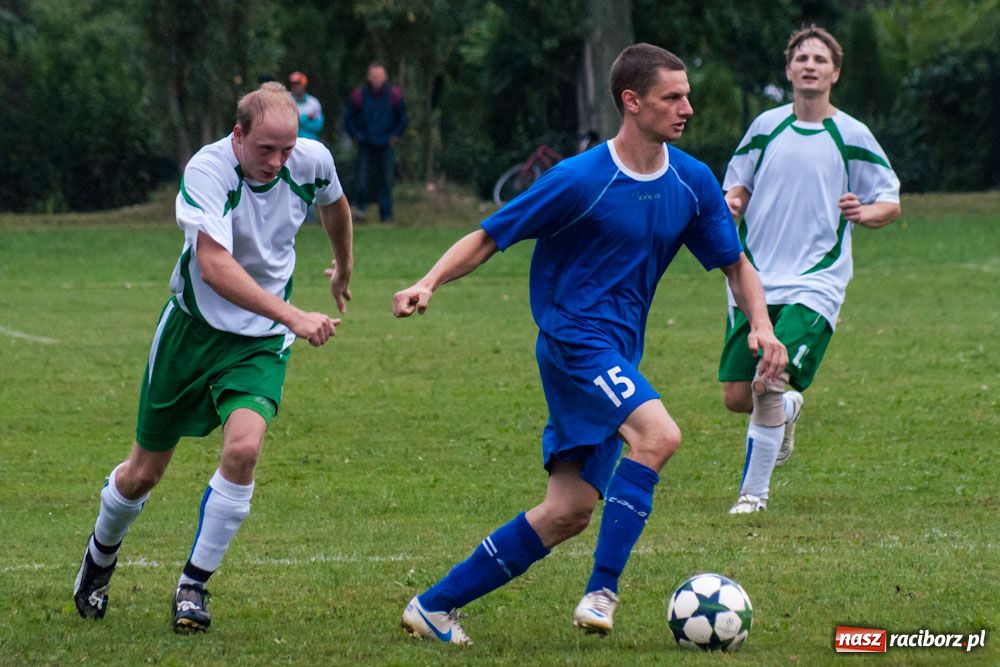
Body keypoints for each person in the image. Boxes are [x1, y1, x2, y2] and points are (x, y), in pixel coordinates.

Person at [392, 43, 787, 645]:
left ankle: (434, 606)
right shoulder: (580, 179)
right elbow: (490, 236)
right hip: (574, 340)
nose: (687, 108)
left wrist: (760, 323)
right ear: (632, 102)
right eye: (671, 97)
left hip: (617, 350)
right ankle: (602, 591)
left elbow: (737, 263)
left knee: (568, 512)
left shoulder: (692, 180)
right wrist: (427, 282)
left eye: (687, 95)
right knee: (659, 436)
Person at [72, 82, 354, 633]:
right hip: (191, 333)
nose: (277, 162)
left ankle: (193, 586)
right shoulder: (209, 170)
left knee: (244, 449)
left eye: (287, 150)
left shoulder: (309, 159)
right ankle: (99, 560)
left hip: (259, 340)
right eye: (265, 149)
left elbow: (335, 203)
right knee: (142, 474)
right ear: (238, 135)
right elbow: (214, 266)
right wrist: (295, 315)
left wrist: (343, 266)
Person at [720, 25, 900, 514]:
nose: (810, 65)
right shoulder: (766, 126)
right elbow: (737, 184)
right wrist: (734, 202)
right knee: (738, 397)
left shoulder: (851, 134)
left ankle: (752, 496)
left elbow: (890, 200)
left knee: (767, 382)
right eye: (801, 58)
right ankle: (788, 411)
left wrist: (867, 212)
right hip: (752, 276)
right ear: (788, 70)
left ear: (835, 73)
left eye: (820, 59)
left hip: (815, 283)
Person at [344, 62, 409, 223]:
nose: (377, 79)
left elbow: (403, 118)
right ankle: (360, 212)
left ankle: (386, 215)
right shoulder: (359, 95)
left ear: (385, 77)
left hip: (386, 144)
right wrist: (356, 135)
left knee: (386, 180)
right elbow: (348, 118)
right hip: (365, 143)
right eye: (374, 76)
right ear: (369, 77)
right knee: (362, 180)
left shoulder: (394, 94)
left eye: (379, 76)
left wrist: (395, 135)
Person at [289, 71, 325, 141]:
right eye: (293, 84)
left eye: (297, 84)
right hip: (292, 142)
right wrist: (307, 117)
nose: (294, 87)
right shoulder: (287, 101)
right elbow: (287, 125)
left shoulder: (314, 103)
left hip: (311, 142)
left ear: (304, 85)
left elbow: (319, 126)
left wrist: (299, 122)